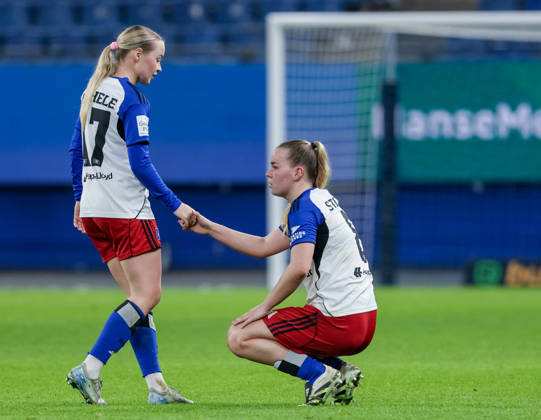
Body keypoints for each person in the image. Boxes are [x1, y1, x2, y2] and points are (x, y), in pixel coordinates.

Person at [182, 139, 377, 406]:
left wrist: (264, 307)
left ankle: (319, 374)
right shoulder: (319, 199)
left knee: (240, 336)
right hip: (364, 319)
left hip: (338, 322)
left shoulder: (304, 207)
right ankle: (339, 371)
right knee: (266, 330)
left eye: (275, 166)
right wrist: (209, 227)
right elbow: (263, 246)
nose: (268, 173)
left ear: (298, 172)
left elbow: (299, 268)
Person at [67, 25, 195, 405]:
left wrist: (79, 197)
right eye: (158, 58)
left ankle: (156, 387)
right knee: (149, 294)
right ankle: (90, 368)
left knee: (136, 300)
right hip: (126, 210)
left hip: (95, 211)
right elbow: (140, 164)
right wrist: (175, 204)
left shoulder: (94, 91)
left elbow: (76, 150)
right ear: (137, 54)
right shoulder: (133, 98)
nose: (159, 67)